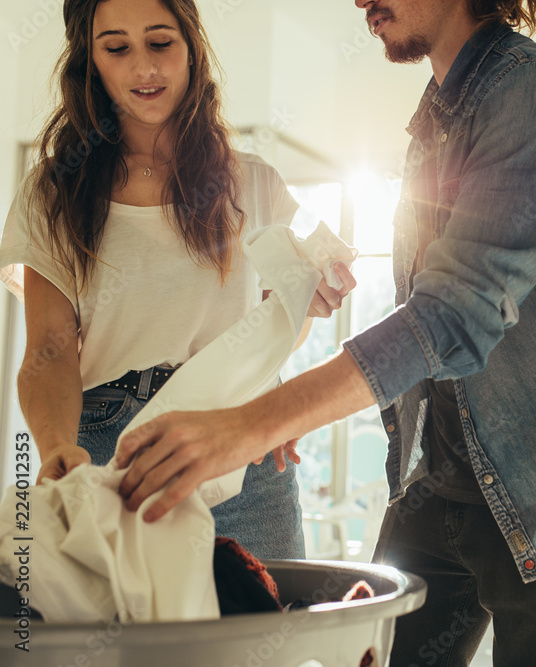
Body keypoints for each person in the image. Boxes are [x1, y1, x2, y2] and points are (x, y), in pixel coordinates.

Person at [115, 0, 536, 661]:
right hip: (437, 480)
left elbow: (455, 314)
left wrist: (256, 421)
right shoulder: (432, 123)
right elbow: (425, 314)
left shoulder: (534, 93)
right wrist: (306, 403)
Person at [0, 0, 355, 560]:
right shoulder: (53, 192)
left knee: (258, 632)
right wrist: (54, 449)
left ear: (192, 50)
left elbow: (272, 322)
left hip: (243, 446)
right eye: (117, 48)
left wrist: (308, 299)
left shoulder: (253, 183)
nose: (144, 68)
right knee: (130, 642)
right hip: (110, 450)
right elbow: (48, 349)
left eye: (161, 43)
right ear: (90, 63)